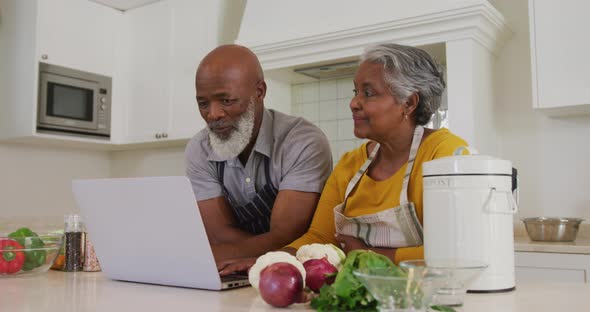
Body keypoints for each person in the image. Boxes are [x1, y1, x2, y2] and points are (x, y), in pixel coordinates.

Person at [218, 43, 468, 274]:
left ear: (409, 103)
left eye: (368, 93)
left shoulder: (445, 154)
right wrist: (271, 260)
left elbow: (454, 252)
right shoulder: (351, 164)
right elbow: (318, 237)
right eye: (355, 91)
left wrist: (367, 255)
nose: (353, 103)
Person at [185, 45, 332, 269]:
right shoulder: (199, 149)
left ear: (260, 92)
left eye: (226, 100)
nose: (213, 114)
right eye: (203, 104)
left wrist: (221, 255)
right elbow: (218, 234)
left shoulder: (302, 142)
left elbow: (286, 237)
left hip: (294, 272)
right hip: (235, 269)